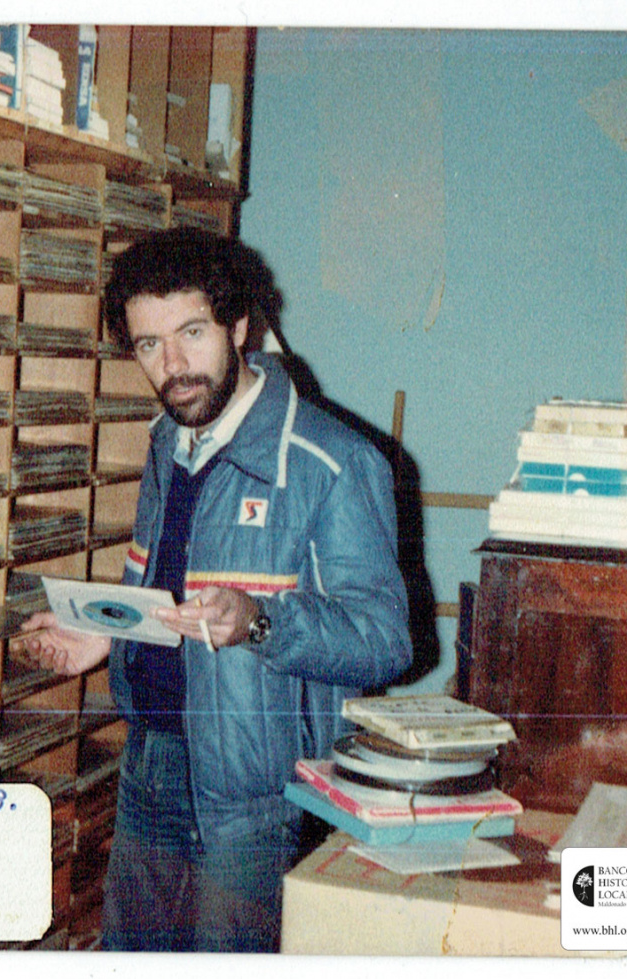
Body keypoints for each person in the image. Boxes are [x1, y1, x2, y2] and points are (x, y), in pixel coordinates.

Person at [22, 227, 412, 953]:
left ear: (238, 327)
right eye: (149, 344)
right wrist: (106, 632)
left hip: (258, 800)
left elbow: (385, 641)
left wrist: (261, 622)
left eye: (191, 333)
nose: (172, 366)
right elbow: (167, 597)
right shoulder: (168, 442)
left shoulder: (332, 460)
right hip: (149, 766)